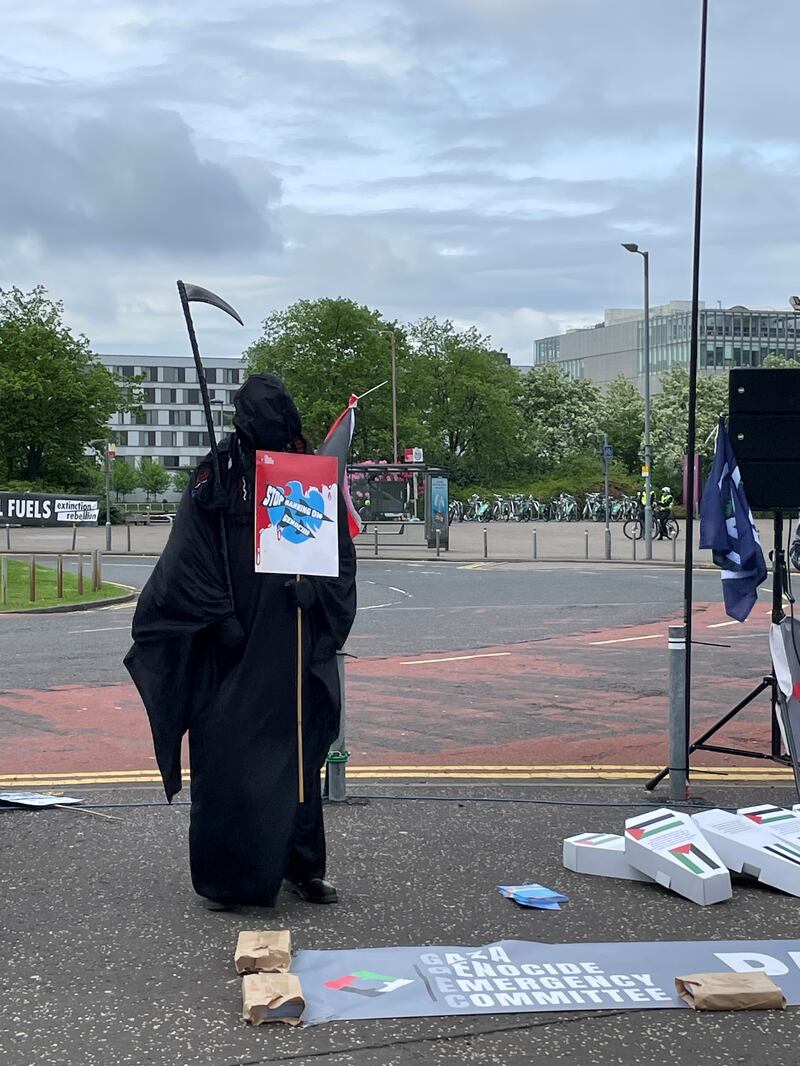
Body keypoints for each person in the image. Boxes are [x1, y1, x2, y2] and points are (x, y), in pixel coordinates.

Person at [124, 373, 357, 909]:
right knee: (227, 754)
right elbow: (188, 551)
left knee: (297, 753)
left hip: (290, 638)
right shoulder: (216, 475)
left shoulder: (308, 475)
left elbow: (336, 551)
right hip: (228, 643)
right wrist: (214, 613)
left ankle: (303, 866)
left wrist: (316, 594)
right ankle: (230, 876)